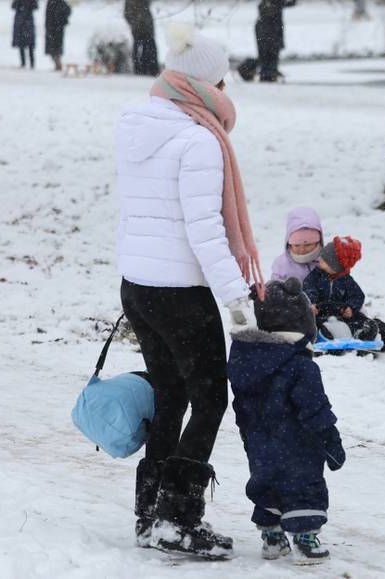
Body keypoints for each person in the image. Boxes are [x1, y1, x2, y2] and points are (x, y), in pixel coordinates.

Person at [116, 24, 264, 558]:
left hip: (138, 285)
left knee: (169, 395)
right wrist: (237, 299)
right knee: (208, 398)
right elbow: (204, 230)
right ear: (210, 81)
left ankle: (149, 512)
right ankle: (178, 520)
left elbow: (139, 212)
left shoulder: (135, 121)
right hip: (181, 291)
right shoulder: (199, 138)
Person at [228, 277, 345, 563]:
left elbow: (242, 407)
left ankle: (272, 538)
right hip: (299, 447)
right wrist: (331, 440)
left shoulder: (245, 363)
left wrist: (250, 438)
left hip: (260, 447)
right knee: (303, 487)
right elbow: (314, 408)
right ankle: (305, 538)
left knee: (265, 485)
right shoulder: (301, 366)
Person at [302, 236, 385, 351]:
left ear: (335, 266)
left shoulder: (346, 280)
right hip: (319, 314)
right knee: (309, 323)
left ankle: (367, 333)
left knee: (367, 322)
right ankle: (322, 335)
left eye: (324, 259)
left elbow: (358, 296)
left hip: (342, 316)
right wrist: (312, 303)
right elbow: (308, 288)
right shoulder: (316, 275)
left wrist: (351, 307)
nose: (320, 259)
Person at [270, 207, 324, 283]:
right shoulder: (282, 265)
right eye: (297, 245)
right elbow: (275, 286)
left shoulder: (326, 261)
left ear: (318, 242)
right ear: (289, 244)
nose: (302, 250)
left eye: (308, 245)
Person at [124, 0, 159, 76]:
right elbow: (127, 14)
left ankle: (150, 69)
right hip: (138, 27)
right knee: (140, 49)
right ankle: (141, 69)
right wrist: (135, 23)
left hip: (147, 27)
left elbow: (127, 14)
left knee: (149, 49)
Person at [44, 0, 70, 71]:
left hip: (55, 28)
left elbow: (67, 11)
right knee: (54, 48)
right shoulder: (56, 2)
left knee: (55, 47)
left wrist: (62, 20)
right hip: (54, 28)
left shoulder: (59, 2)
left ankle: (58, 64)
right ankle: (57, 63)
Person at [12, 0, 37, 69]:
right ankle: (28, 63)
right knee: (26, 44)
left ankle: (27, 63)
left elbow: (14, 6)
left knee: (25, 44)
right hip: (25, 22)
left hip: (23, 21)